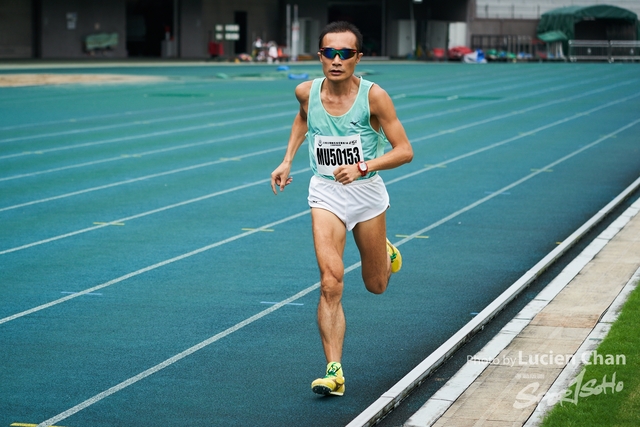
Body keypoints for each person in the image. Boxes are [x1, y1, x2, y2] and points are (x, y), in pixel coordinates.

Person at [270, 21, 413, 396]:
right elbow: (304, 118)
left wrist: (363, 166)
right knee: (330, 281)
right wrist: (287, 159)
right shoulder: (306, 92)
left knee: (376, 285)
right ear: (319, 56)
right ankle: (334, 372)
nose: (336, 60)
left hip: (366, 194)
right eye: (329, 53)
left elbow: (404, 151)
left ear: (357, 58)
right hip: (325, 193)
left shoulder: (374, 97)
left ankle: (385, 252)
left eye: (345, 53)